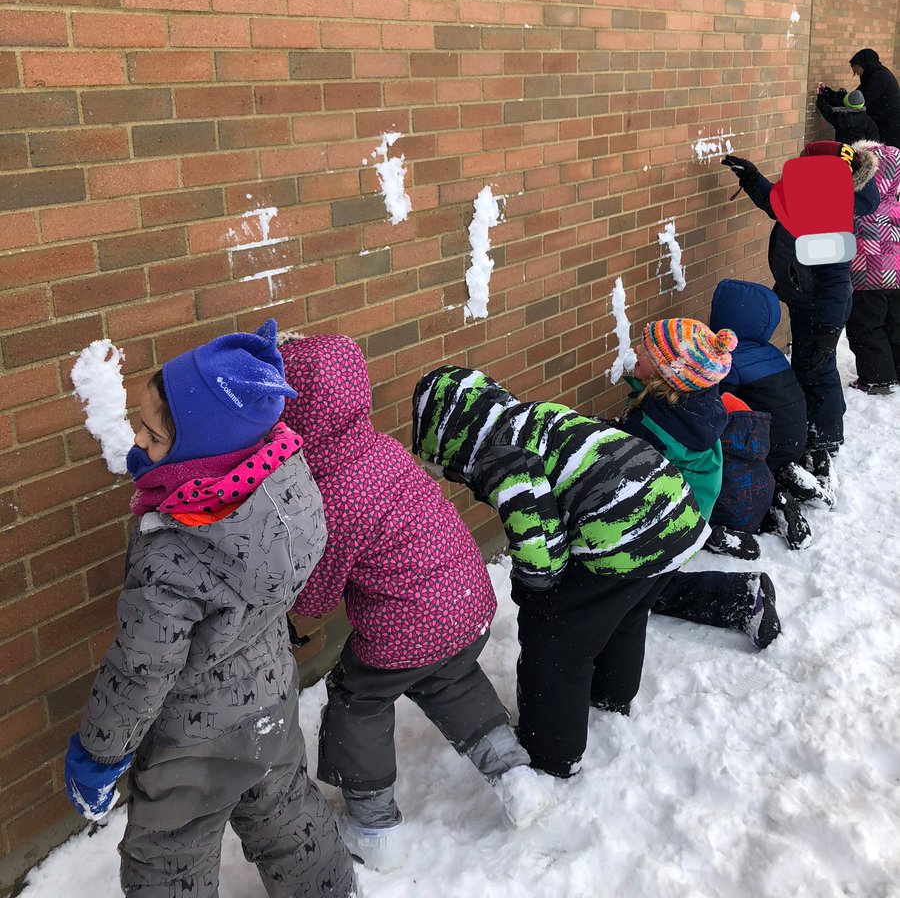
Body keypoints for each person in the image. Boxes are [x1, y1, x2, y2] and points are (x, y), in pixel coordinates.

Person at [64, 320, 356, 898]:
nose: (136, 446)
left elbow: (141, 666)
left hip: (191, 737)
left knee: (169, 858)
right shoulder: (288, 483)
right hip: (270, 694)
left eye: (151, 434)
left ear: (203, 444)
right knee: (287, 817)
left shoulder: (175, 549)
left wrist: (100, 752)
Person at [278, 334, 549, 873]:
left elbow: (319, 592)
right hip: (466, 598)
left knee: (358, 699)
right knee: (450, 676)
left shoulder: (330, 493)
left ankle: (373, 825)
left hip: (408, 624)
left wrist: (294, 607)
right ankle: (514, 775)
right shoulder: (383, 450)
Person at [411, 363, 709, 781]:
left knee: (555, 642)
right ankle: (611, 695)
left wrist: (534, 592)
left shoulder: (500, 455)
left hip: (624, 533)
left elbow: (538, 540)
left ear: (450, 435)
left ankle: (551, 752)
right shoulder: (536, 418)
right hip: (673, 512)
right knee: (624, 614)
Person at [722, 142, 879, 485]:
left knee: (817, 370)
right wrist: (752, 179)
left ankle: (825, 437)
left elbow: (837, 281)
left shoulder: (831, 215)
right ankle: (817, 424)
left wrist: (827, 330)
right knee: (809, 367)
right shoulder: (814, 198)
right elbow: (777, 205)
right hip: (805, 298)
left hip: (822, 307)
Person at [617, 320, 781, 649]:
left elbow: (625, 458)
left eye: (645, 352)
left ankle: (744, 598)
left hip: (673, 520)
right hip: (694, 503)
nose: (636, 350)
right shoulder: (694, 400)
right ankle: (708, 536)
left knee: (636, 591)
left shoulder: (652, 428)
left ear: (667, 375)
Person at [709, 278, 829, 526]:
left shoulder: (730, 361)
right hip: (793, 439)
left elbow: (718, 406)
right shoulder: (772, 352)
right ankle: (794, 472)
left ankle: (775, 502)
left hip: (767, 450)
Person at [843, 140, 900, 394]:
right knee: (895, 323)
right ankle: (896, 369)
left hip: (868, 276)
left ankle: (877, 378)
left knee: (866, 326)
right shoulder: (895, 204)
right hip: (897, 274)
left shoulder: (860, 205)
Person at [849, 48, 900, 149]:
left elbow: (860, 100)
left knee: (886, 155)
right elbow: (856, 95)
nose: (857, 73)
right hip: (884, 123)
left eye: (857, 69)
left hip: (890, 126)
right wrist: (833, 94)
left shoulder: (880, 78)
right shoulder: (874, 75)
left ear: (864, 65)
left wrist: (833, 100)